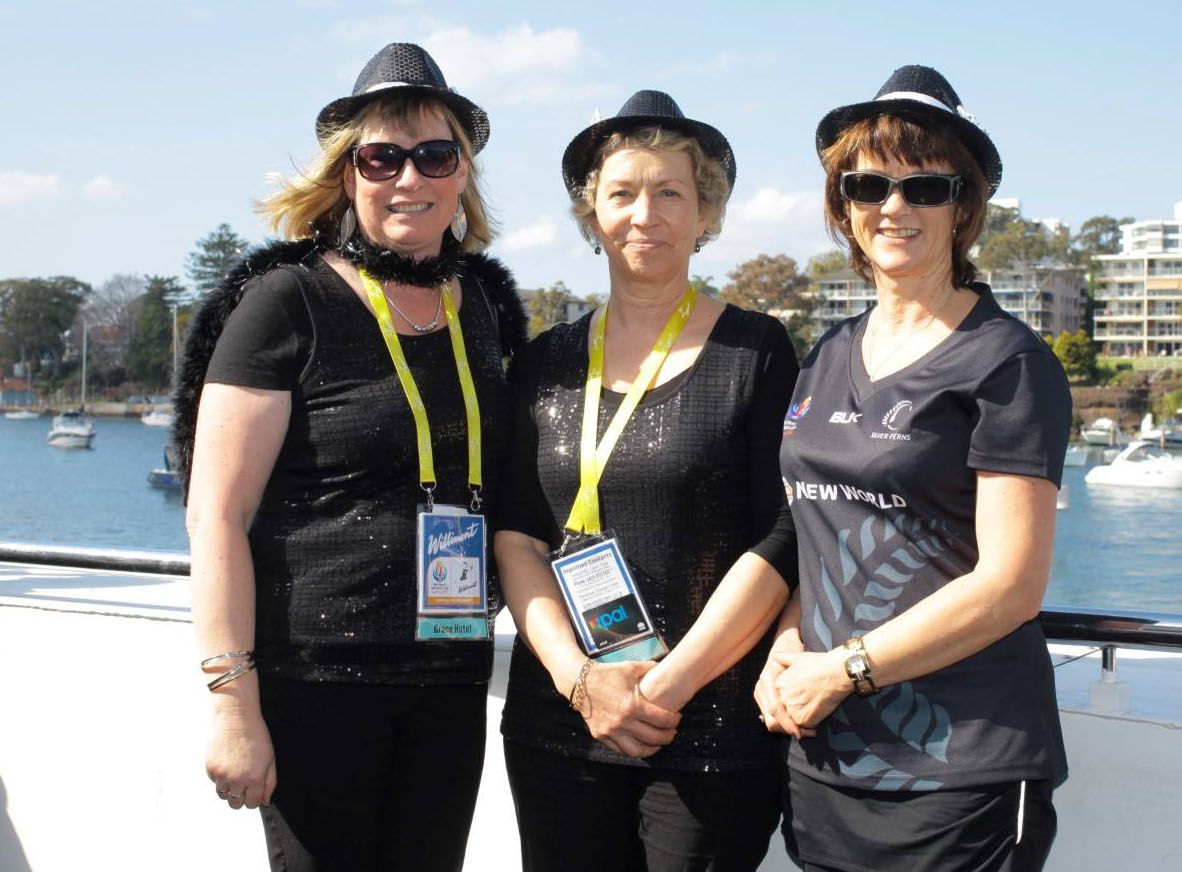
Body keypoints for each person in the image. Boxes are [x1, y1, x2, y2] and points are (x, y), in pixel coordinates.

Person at [174, 42, 526, 871]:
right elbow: (216, 515)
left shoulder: (485, 306)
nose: (409, 177)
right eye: (382, 158)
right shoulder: (286, 302)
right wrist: (232, 704)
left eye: (434, 155)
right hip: (314, 682)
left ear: (462, 173)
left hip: (449, 676)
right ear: (347, 174)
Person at [754, 65, 1071, 872]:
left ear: (962, 207)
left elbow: (1011, 585)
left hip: (960, 768)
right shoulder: (827, 353)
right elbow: (817, 532)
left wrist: (843, 669)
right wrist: (786, 646)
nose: (892, 207)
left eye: (923, 187)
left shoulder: (1007, 363)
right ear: (843, 208)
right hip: (825, 758)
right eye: (867, 186)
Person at [495, 90, 799, 872]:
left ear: (705, 214)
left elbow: (782, 532)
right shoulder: (543, 363)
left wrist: (666, 687)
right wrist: (579, 682)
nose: (645, 214)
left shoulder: (757, 352)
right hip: (559, 725)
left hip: (708, 726)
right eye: (622, 193)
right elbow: (518, 535)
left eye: (670, 193)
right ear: (591, 213)